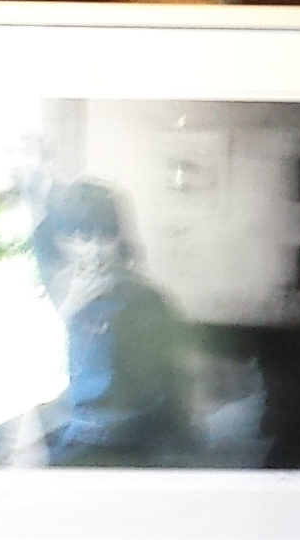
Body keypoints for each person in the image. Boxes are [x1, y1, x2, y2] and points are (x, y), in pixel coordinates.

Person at [31, 183, 203, 466]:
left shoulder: (145, 298)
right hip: (69, 440)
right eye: (82, 237)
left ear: (119, 237)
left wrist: (183, 437)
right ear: (62, 241)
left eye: (105, 236)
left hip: (131, 442)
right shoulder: (49, 295)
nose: (95, 250)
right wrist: (68, 309)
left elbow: (171, 380)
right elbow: (31, 376)